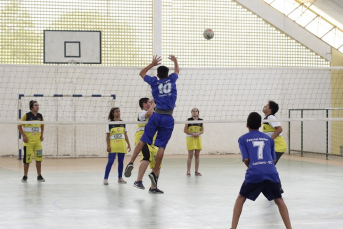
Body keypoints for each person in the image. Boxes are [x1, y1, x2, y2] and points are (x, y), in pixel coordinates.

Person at [124, 55, 179, 189]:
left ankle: (131, 161)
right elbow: (177, 71)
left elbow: (141, 73)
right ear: (167, 74)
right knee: (161, 146)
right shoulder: (172, 80)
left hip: (156, 115)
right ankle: (154, 173)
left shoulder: (154, 81)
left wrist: (152, 64)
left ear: (158, 75)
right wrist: (175, 61)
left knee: (144, 139)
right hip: (167, 118)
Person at [230, 112, 292, 229]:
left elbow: (246, 159)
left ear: (247, 124)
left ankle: (233, 228)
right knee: (279, 199)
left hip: (255, 174)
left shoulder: (242, 139)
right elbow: (273, 160)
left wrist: (252, 167)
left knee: (241, 198)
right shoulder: (269, 139)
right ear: (260, 125)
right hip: (271, 172)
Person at [133, 98, 163, 194]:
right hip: (142, 138)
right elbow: (148, 114)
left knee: (157, 163)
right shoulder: (141, 112)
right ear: (144, 104)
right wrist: (154, 103)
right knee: (146, 157)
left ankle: (153, 187)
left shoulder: (154, 113)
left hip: (152, 139)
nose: (151, 104)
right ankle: (138, 181)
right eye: (149, 103)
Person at [262, 100, 287, 193]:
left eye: (266, 106)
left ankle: (277, 188)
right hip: (273, 148)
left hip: (278, 147)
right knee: (269, 167)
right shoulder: (266, 118)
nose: (264, 106)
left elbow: (279, 129)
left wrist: (270, 140)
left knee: (269, 167)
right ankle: (277, 188)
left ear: (270, 109)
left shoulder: (271, 117)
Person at [18, 100, 45, 183]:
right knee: (27, 160)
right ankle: (25, 176)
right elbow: (19, 126)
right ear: (31, 107)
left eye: (38, 105)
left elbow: (42, 125)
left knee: (39, 159)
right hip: (28, 142)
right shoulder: (26, 116)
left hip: (37, 142)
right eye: (35, 105)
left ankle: (39, 176)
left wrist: (41, 135)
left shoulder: (40, 116)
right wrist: (24, 136)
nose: (37, 106)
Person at [104, 107, 131, 185]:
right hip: (113, 146)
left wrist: (128, 144)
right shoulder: (110, 124)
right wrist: (108, 146)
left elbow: (125, 134)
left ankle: (120, 178)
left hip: (121, 145)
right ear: (113, 113)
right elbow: (107, 136)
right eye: (116, 111)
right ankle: (105, 178)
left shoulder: (123, 123)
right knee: (110, 161)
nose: (118, 113)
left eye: (119, 111)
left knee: (121, 162)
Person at [184, 108, 204, 176]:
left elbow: (202, 130)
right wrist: (193, 134)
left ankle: (196, 171)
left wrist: (198, 133)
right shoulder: (188, 120)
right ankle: (188, 171)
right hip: (190, 139)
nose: (194, 112)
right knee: (190, 155)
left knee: (197, 155)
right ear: (191, 112)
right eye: (193, 111)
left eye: (196, 111)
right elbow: (185, 130)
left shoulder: (201, 121)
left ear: (198, 112)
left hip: (198, 138)